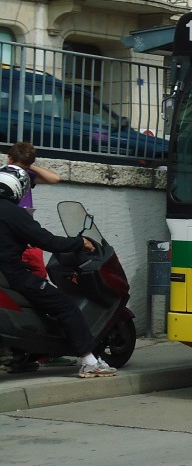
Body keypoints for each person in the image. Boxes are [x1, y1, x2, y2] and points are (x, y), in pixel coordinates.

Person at [0, 166, 116, 378]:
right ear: (17, 188)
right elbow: (47, 241)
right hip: (12, 274)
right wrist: (79, 242)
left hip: (6, 276)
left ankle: (22, 358)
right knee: (65, 306)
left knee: (37, 306)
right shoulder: (12, 212)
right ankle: (89, 361)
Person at [6, 141, 62, 280]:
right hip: (11, 238)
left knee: (40, 275)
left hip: (28, 239)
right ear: (9, 159)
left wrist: (28, 167)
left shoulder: (26, 176)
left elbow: (55, 179)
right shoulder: (3, 177)